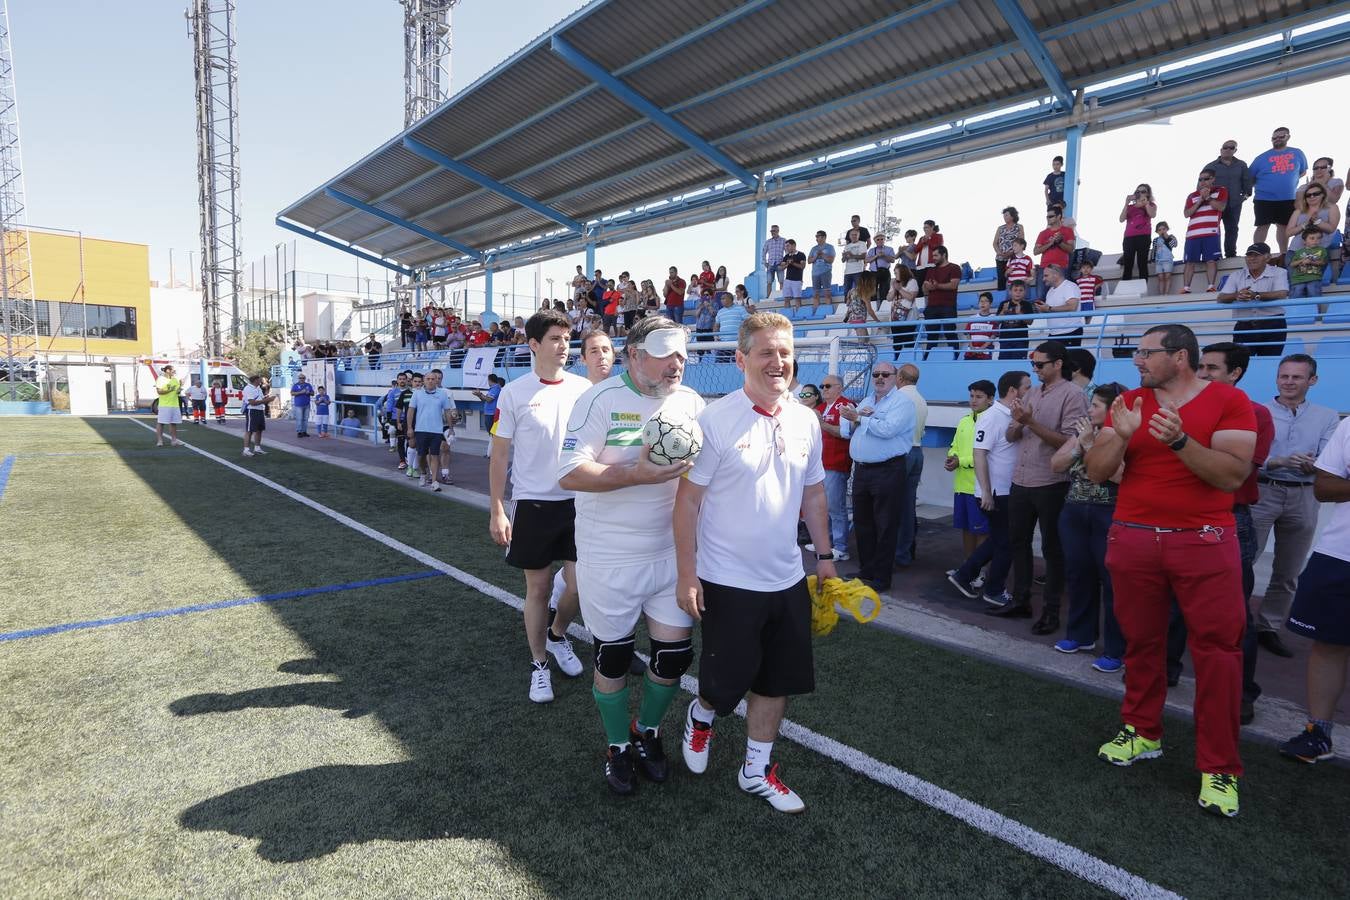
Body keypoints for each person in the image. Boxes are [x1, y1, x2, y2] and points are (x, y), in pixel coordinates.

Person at [1086, 323, 1256, 819]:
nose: (1137, 360)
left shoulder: (1228, 401)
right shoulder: (1130, 403)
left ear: (1179, 357)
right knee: (1140, 642)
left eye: (1146, 352)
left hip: (1203, 542)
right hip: (1134, 537)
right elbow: (1097, 472)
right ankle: (1142, 731)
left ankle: (1219, 765)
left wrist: (1180, 441)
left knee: (1219, 651)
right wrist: (1119, 439)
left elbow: (1231, 474)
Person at [674, 311, 835, 813]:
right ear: (741, 358)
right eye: (766, 352)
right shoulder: (714, 419)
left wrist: (824, 559)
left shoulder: (807, 419)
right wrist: (687, 574)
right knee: (724, 684)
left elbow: (814, 496)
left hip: (786, 576)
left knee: (777, 680)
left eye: (785, 352)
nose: (778, 362)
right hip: (726, 578)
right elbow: (687, 501)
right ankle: (702, 717)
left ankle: (756, 770)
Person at [557, 317, 705, 795]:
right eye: (664, 352)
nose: (676, 363)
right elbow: (571, 473)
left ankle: (648, 732)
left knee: (674, 656)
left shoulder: (691, 403)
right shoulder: (599, 400)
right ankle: (617, 745)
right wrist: (635, 476)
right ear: (634, 355)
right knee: (615, 657)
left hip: (670, 554)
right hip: (610, 557)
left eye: (681, 352)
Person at [1167, 342, 1273, 725]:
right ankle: (1167, 669)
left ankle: (1242, 692)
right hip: (1182, 516)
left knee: (1232, 614)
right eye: (1201, 366)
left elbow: (1232, 474)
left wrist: (1181, 444)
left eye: (1212, 367)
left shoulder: (1254, 413)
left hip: (1229, 519)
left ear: (1236, 373)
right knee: (1174, 601)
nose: (1203, 373)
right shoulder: (1180, 407)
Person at [488, 309, 590, 703]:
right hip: (532, 505)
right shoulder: (514, 393)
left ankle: (558, 634)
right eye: (555, 339)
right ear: (533, 345)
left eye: (567, 339)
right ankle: (539, 664)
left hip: (580, 503)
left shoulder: (584, 389)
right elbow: (498, 456)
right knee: (538, 587)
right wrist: (498, 508)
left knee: (580, 587)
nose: (563, 346)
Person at [990, 341, 1088, 634]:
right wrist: (1020, 423)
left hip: (1051, 483)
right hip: (1021, 480)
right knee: (1018, 543)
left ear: (1058, 364)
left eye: (1040, 365)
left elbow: (1071, 443)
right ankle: (1021, 601)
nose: (1035, 370)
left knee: (1051, 549)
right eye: (1033, 364)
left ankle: (1051, 611)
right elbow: (1010, 436)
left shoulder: (1073, 396)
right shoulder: (1032, 392)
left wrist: (1030, 421)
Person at [1251, 353, 1340, 657]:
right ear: (1277, 378)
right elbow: (1248, 457)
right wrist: (1280, 462)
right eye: (1284, 376)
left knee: (1288, 570)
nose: (1289, 382)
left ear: (1312, 380)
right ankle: (1235, 624)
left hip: (1304, 495)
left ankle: (1268, 627)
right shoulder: (1257, 411)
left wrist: (1315, 465)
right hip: (1262, 491)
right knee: (1243, 562)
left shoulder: (1328, 416)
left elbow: (1331, 458)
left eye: (1297, 377)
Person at [1278, 413, 1350, 764]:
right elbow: (1324, 487)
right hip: (1340, 554)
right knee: (1328, 644)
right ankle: (1318, 733)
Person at [1050, 383, 1126, 672]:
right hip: (1075, 511)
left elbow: (1121, 476)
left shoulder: (1124, 437)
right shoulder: (1082, 432)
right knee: (1079, 573)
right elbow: (1055, 464)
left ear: (1111, 410)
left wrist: (1091, 446)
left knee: (1113, 582)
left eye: (1095, 405)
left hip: (1110, 513)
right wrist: (1079, 446)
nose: (1088, 410)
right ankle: (1080, 635)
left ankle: (1117, 648)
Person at [949, 370, 1030, 606]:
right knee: (1005, 543)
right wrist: (985, 491)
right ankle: (993, 590)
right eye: (1027, 386)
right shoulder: (993, 417)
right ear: (1014, 390)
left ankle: (965, 575)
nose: (1030, 391)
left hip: (1004, 491)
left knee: (999, 540)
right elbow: (979, 453)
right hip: (997, 493)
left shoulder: (1009, 415)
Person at [838, 361, 916, 593]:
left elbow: (888, 430)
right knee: (863, 523)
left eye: (885, 374)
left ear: (896, 377)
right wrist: (851, 418)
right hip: (862, 470)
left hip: (887, 470)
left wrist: (860, 418)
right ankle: (867, 570)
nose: (880, 378)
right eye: (876, 374)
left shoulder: (903, 402)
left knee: (885, 524)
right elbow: (851, 429)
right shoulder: (868, 400)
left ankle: (882, 577)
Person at [1216, 242, 1290, 357]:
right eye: (1249, 255)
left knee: (1268, 364)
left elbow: (1282, 294)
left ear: (1268, 257)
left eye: (1257, 255)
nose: (1252, 258)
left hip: (1272, 324)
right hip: (1245, 325)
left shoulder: (1279, 272)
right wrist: (1237, 295)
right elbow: (1221, 298)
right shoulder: (1236, 275)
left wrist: (1256, 295)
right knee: (1240, 364)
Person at [810, 374, 854, 562]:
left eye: (828, 386)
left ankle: (841, 547)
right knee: (822, 507)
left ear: (839, 388)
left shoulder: (846, 406)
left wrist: (822, 424)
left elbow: (845, 433)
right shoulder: (819, 408)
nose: (824, 389)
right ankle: (825, 543)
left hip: (836, 464)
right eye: (822, 386)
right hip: (819, 465)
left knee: (836, 508)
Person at [948, 380, 994, 560]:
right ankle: (968, 568)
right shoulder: (964, 421)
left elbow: (989, 456)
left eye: (979, 397)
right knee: (966, 528)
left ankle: (980, 573)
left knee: (982, 530)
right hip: (961, 486)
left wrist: (962, 461)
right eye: (972, 396)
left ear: (990, 399)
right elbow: (955, 445)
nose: (974, 400)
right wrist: (952, 457)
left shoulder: (992, 422)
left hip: (980, 488)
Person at [1250, 126, 1308, 255]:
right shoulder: (1261, 158)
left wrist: (1287, 181)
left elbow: (1303, 171)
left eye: (1281, 136)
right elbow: (1250, 177)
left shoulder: (1297, 153)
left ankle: (1283, 254)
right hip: (1264, 198)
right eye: (1274, 138)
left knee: (1283, 226)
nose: (1277, 139)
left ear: (1288, 137)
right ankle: (1257, 252)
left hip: (1288, 197)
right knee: (1262, 225)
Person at [894, 363, 927, 568]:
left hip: (903, 452)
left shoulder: (900, 398)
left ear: (900, 378)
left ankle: (897, 554)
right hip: (917, 451)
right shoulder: (921, 399)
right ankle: (905, 552)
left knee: (894, 508)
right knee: (907, 507)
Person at [1180, 169, 1227, 294]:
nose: (1202, 182)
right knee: (1189, 262)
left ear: (1213, 179)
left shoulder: (1220, 190)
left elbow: (1221, 207)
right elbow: (1187, 213)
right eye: (1200, 179)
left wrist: (1208, 198)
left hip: (1211, 232)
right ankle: (1186, 288)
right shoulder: (1192, 196)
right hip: (1192, 234)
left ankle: (1211, 286)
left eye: (1206, 179)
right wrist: (1200, 200)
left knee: (1211, 260)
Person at [1206, 140, 1253, 258]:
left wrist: (1245, 196)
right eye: (1225, 147)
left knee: (1232, 229)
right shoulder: (1211, 166)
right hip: (1215, 204)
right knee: (1213, 230)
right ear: (1221, 149)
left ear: (1235, 150)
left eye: (1231, 148)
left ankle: (1230, 254)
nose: (1228, 149)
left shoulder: (1241, 165)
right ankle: (1214, 254)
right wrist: (1208, 200)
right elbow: (1201, 184)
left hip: (1234, 204)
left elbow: (1247, 182)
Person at [921, 245, 962, 359]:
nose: (933, 258)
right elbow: (924, 288)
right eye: (932, 255)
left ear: (944, 255)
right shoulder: (931, 270)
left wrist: (936, 286)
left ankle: (956, 357)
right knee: (931, 336)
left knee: (950, 333)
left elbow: (954, 284)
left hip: (948, 306)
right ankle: (928, 358)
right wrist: (928, 287)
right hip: (931, 307)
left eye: (936, 255)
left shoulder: (954, 267)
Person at [1036, 265, 1083, 348]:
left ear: (1056, 275)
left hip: (1069, 332)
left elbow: (1072, 307)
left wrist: (1049, 308)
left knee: (1068, 360)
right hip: (1054, 333)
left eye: (1046, 275)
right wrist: (1043, 309)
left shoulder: (1069, 286)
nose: (1043, 279)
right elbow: (1051, 310)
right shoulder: (1050, 291)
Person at [1034, 205, 1075, 299]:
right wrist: (1050, 243)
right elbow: (1036, 251)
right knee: (1041, 296)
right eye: (1047, 216)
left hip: (1061, 267)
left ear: (1059, 216)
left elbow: (1071, 249)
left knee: (1063, 295)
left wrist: (1059, 242)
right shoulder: (1043, 233)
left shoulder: (1068, 231)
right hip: (1044, 267)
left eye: (1051, 216)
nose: (1048, 218)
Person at [1118, 184, 1157, 281]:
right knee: (1128, 263)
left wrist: (1146, 203)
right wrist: (1126, 203)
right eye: (1138, 192)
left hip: (1143, 236)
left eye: (1143, 191)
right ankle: (1125, 289)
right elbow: (1121, 219)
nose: (1140, 193)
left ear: (1148, 193)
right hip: (1129, 237)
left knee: (1142, 263)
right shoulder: (1130, 207)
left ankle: (1143, 289)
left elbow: (1152, 215)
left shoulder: (1151, 205)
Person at [887, 263, 920, 354]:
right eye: (894, 273)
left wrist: (900, 289)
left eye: (896, 273)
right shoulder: (894, 283)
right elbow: (888, 298)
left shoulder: (912, 282)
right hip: (895, 317)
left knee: (908, 341)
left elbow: (911, 297)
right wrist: (894, 289)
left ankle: (909, 360)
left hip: (909, 318)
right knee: (897, 342)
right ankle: (897, 359)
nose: (895, 275)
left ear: (903, 272)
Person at [1288, 227, 1329, 303]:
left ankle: (1316, 313)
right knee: (1296, 295)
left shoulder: (1322, 250)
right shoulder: (1299, 252)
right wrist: (1302, 260)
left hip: (1314, 277)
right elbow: (1292, 264)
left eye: (1318, 238)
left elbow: (1322, 262)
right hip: (1298, 279)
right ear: (1304, 241)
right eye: (1312, 238)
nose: (1315, 240)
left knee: (1314, 294)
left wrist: (1311, 262)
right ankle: (1295, 311)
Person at [996, 280, 1034, 360]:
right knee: (1004, 364)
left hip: (1021, 339)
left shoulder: (1027, 304)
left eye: (1021, 290)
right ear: (1010, 292)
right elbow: (997, 321)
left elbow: (1030, 322)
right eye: (1015, 290)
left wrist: (1019, 313)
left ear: (1025, 292)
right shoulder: (1003, 304)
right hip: (1005, 339)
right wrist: (1003, 311)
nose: (1018, 292)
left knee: (1019, 364)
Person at [240, 373, 272, 458]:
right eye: (259, 380)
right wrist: (267, 400)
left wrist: (267, 399)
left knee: (259, 429)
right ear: (255, 380)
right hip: (252, 410)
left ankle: (257, 448)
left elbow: (261, 399)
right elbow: (252, 402)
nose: (260, 381)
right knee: (249, 430)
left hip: (260, 410)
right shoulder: (248, 389)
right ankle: (246, 450)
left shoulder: (258, 388)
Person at [992, 207, 1024, 291]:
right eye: (1004, 215)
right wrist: (1000, 253)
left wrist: (1011, 253)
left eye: (1006, 215)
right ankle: (1002, 299)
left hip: (1014, 257)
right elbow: (995, 243)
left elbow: (1021, 242)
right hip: (1000, 258)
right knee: (1001, 279)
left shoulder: (1019, 227)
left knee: (1015, 279)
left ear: (1012, 216)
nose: (1004, 217)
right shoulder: (1000, 228)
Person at [843, 269, 880, 337]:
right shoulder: (864, 293)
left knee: (866, 339)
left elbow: (848, 304)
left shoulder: (852, 291)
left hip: (853, 319)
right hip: (859, 320)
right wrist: (877, 321)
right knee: (862, 341)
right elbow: (870, 310)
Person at [154, 364, 183, 447]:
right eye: (173, 371)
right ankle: (160, 441)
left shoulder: (175, 380)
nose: (174, 372)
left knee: (174, 423)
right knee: (161, 423)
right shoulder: (160, 379)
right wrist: (170, 390)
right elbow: (159, 392)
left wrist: (180, 386)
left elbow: (177, 392)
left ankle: (174, 441)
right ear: (168, 371)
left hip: (175, 404)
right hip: (164, 405)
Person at [807, 230, 835, 311]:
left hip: (826, 272)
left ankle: (828, 310)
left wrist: (822, 254)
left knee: (827, 293)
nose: (816, 238)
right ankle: (815, 311)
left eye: (818, 236)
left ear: (824, 237)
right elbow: (809, 261)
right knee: (815, 294)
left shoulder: (830, 247)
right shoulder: (814, 248)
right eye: (816, 236)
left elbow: (831, 260)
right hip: (815, 273)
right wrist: (816, 256)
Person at [964, 293, 997, 360]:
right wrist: (971, 347)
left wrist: (982, 348)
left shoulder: (994, 318)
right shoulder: (972, 318)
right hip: (970, 352)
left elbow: (993, 336)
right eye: (981, 301)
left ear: (990, 304)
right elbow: (968, 334)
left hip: (985, 353)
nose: (983, 303)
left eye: (986, 301)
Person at [866, 234, 896, 308]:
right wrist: (876, 256)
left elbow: (892, 260)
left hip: (885, 271)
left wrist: (884, 256)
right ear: (875, 241)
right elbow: (867, 260)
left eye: (882, 239)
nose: (880, 241)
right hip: (874, 272)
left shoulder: (889, 249)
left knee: (885, 291)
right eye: (878, 239)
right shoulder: (872, 250)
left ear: (884, 240)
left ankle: (884, 308)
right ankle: (873, 308)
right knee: (872, 292)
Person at [1150, 222, 1177, 295]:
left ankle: (1166, 293)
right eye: (1159, 230)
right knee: (1160, 277)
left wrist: (1167, 237)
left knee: (1167, 276)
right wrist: (1152, 258)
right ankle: (1161, 294)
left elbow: (1174, 244)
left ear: (1167, 229)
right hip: (1159, 261)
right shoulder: (1155, 240)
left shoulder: (1171, 237)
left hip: (1167, 260)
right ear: (1157, 232)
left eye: (1163, 229)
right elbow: (1154, 249)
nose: (1162, 231)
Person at [781, 240, 807, 312]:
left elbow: (802, 266)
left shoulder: (801, 254)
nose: (786, 248)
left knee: (797, 299)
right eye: (786, 246)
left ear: (793, 245)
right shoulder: (786, 256)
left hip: (797, 280)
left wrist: (793, 263)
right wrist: (788, 264)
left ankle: (798, 314)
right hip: (787, 280)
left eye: (788, 246)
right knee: (786, 299)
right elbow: (782, 267)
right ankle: (787, 316)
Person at [761, 224, 786, 298]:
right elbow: (763, 252)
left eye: (774, 231)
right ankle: (768, 297)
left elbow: (787, 252)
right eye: (771, 231)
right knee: (769, 282)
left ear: (778, 231)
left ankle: (782, 296)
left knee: (781, 281)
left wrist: (784, 263)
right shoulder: (768, 242)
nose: (772, 232)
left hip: (779, 264)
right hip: (770, 264)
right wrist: (765, 263)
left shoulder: (783, 240)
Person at [840, 228, 867, 296]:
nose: (854, 236)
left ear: (858, 235)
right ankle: (846, 306)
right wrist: (844, 256)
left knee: (860, 291)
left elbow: (863, 256)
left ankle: (861, 306)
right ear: (849, 236)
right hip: (847, 272)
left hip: (858, 271)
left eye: (856, 235)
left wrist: (851, 255)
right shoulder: (847, 246)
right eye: (852, 235)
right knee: (847, 292)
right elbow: (843, 260)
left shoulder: (862, 243)